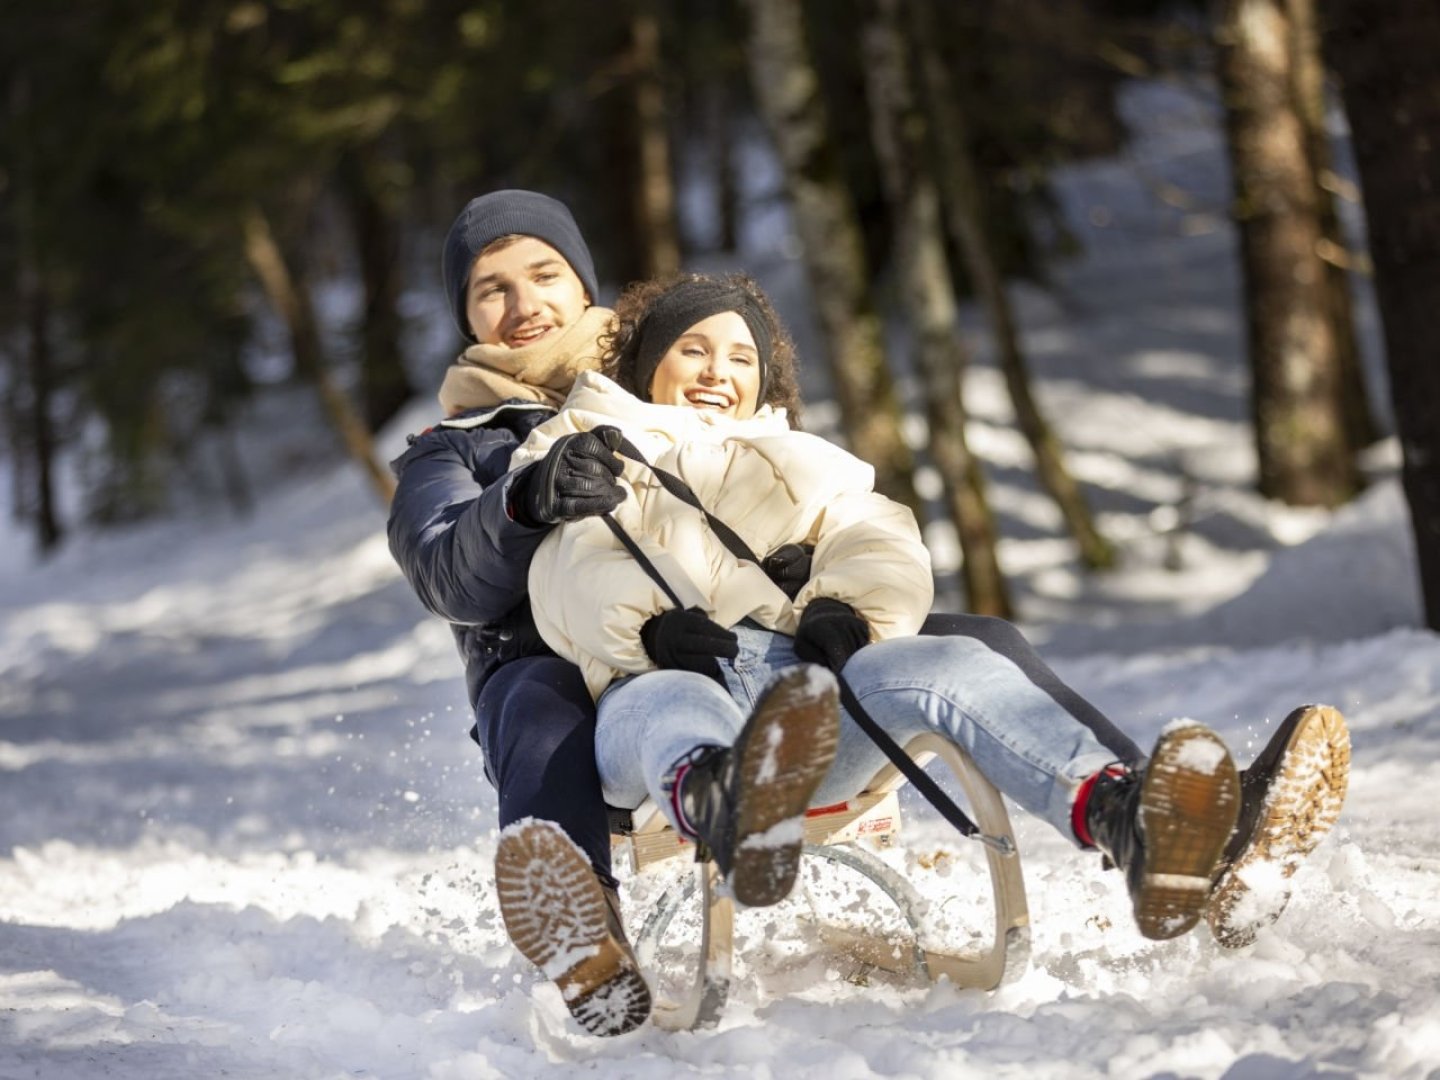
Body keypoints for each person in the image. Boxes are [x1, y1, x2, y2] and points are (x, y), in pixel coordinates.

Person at [510, 272, 1351, 958]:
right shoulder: (585, 442)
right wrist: (647, 628)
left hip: (804, 713)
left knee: (942, 666)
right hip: (650, 711)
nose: (715, 371)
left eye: (740, 357)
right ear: (646, 364)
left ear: (767, 380)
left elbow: (879, 539)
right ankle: (729, 802)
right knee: (672, 706)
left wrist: (848, 607)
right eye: (691, 349)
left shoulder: (807, 463)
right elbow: (565, 569)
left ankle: (1127, 818)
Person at [386, 189, 652, 1037]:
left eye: (544, 272)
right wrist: (520, 501)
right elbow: (444, 572)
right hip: (558, 688)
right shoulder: (450, 450)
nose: (523, 303)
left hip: (703, 657)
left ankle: (1071, 785)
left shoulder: (671, 387)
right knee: (535, 690)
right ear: (467, 316)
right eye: (490, 288)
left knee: (958, 643)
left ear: (584, 285)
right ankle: (586, 942)